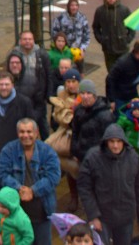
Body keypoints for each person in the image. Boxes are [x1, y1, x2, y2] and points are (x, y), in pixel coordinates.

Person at [77, 123, 139, 245]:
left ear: (124, 142)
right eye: (111, 141)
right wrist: (93, 215)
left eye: (118, 142)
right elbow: (84, 187)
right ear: (106, 142)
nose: (115, 146)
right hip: (102, 216)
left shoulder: (133, 158)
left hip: (126, 218)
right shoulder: (93, 157)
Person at [0, 118, 61, 245]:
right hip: (16, 215)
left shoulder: (48, 151)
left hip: (42, 213)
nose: (25, 135)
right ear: (17, 133)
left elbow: (54, 176)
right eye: (22, 132)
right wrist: (18, 188)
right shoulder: (8, 150)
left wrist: (33, 191)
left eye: (29, 131)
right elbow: (2, 174)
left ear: (36, 132)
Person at [0, 70, 35, 196]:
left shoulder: (23, 102)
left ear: (12, 85)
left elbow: (32, 128)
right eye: (1, 84)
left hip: (16, 154)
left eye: (7, 84)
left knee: (15, 189)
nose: (4, 87)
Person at [48, 69, 82, 210]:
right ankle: (74, 196)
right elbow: (56, 119)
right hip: (67, 136)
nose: (71, 85)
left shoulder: (84, 95)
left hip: (82, 137)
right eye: (68, 81)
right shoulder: (61, 96)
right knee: (70, 168)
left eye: (73, 81)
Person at [12, 31, 52, 139]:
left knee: (42, 124)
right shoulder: (14, 54)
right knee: (21, 124)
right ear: (20, 41)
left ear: (33, 40)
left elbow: (49, 74)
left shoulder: (42, 54)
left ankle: (46, 146)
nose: (27, 42)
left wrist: (48, 94)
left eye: (30, 39)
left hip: (38, 97)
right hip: (21, 97)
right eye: (25, 39)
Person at [70, 79, 116, 164]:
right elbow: (75, 131)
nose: (85, 96)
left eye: (88, 93)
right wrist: (75, 151)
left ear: (94, 94)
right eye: (82, 93)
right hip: (82, 156)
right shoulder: (78, 110)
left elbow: (109, 139)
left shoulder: (105, 115)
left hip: (98, 159)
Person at [93, 0, 134, 72]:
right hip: (108, 49)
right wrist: (101, 40)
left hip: (122, 48)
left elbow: (131, 26)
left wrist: (127, 40)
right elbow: (96, 27)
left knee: (124, 71)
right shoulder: (100, 11)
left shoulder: (124, 10)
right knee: (111, 73)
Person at [106, 39, 139, 114]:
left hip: (133, 94)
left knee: (138, 115)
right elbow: (110, 79)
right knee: (121, 119)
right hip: (120, 97)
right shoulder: (123, 63)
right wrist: (111, 100)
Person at [51, 0, 92, 64]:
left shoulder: (82, 18)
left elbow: (86, 35)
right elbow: (54, 32)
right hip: (64, 52)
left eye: (76, 5)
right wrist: (60, 45)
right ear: (68, 6)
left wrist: (83, 48)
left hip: (78, 51)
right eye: (72, 5)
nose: (74, 7)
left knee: (78, 73)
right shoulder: (60, 18)